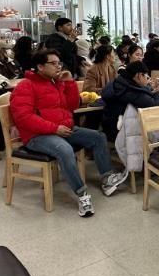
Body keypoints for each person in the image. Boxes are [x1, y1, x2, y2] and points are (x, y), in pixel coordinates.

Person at [10, 49, 129, 217]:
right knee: (64, 149)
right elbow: (23, 118)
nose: (58, 66)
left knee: (98, 137)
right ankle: (82, 194)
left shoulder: (56, 82)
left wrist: (70, 82)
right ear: (40, 66)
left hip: (62, 129)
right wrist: (54, 128)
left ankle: (107, 179)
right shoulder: (26, 86)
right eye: (53, 63)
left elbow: (72, 106)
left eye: (59, 63)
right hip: (37, 136)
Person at [101, 61, 159, 141]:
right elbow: (156, 107)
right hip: (121, 132)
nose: (148, 79)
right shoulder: (131, 91)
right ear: (139, 75)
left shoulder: (121, 83)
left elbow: (144, 97)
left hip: (112, 125)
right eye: (146, 76)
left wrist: (150, 89)